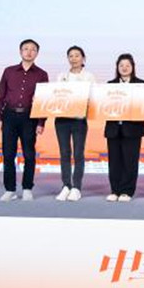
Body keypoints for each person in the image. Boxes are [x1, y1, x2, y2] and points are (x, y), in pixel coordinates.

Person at [0, 39, 49, 202]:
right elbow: (0, 96)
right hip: (9, 117)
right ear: (20, 51)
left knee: (29, 154)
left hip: (29, 118)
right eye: (26, 49)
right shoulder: (9, 71)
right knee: (8, 154)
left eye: (33, 49)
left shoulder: (42, 74)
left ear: (37, 53)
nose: (29, 52)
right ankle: (10, 189)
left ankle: (27, 188)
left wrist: (41, 122)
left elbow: (43, 101)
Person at [54, 45, 95, 202]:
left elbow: (93, 98)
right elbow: (56, 96)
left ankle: (76, 187)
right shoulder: (61, 76)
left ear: (83, 58)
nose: (74, 58)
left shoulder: (89, 77)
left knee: (78, 153)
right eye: (70, 56)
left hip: (79, 120)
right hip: (62, 120)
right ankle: (66, 185)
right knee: (64, 153)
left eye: (77, 55)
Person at [104, 53, 144, 203]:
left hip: (133, 129)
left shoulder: (141, 84)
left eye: (127, 65)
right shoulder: (109, 85)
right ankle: (115, 190)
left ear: (133, 67)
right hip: (113, 128)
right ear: (117, 67)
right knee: (114, 161)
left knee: (130, 161)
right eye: (121, 65)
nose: (124, 68)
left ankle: (127, 191)